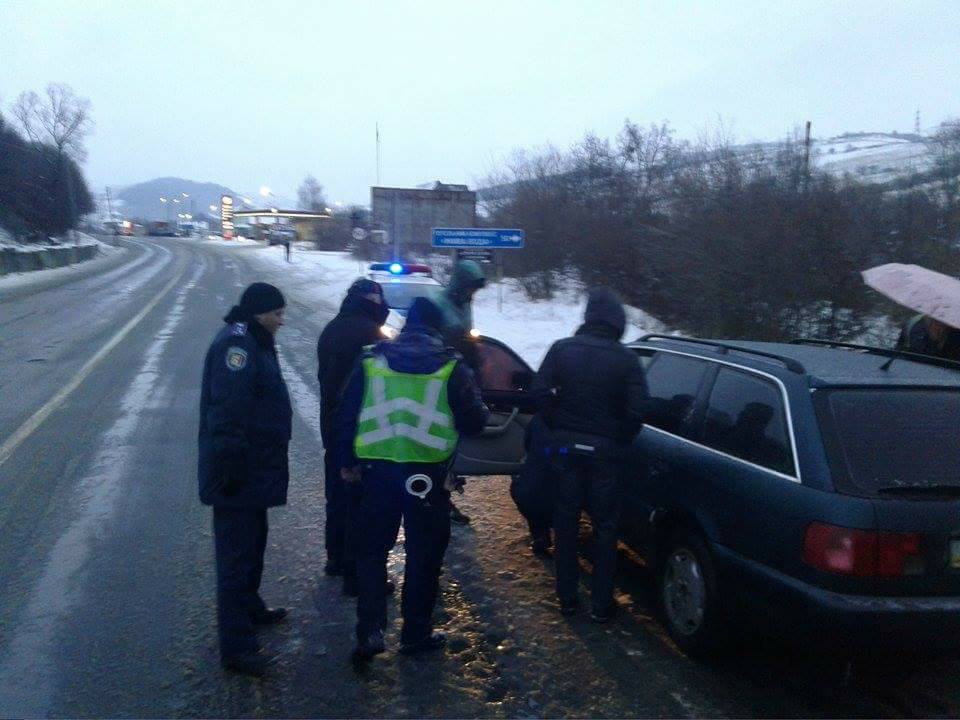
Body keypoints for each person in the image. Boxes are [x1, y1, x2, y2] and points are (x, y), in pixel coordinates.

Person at [334, 297, 489, 662]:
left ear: (407, 325)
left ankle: (370, 631)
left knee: (371, 552)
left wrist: (346, 461)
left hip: (375, 472)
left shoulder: (372, 359)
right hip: (427, 477)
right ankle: (415, 633)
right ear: (436, 328)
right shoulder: (452, 366)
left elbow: (346, 413)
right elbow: (474, 423)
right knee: (424, 555)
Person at [532, 287, 647, 623]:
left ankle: (567, 598)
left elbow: (538, 393)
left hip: (566, 451)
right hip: (605, 456)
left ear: (587, 318)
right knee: (605, 527)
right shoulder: (626, 359)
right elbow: (637, 411)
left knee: (565, 523)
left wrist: (555, 425)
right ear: (617, 322)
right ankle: (601, 603)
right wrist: (618, 440)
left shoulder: (562, 349)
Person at [197, 282, 293, 677]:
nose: (281, 320)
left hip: (254, 468)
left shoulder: (255, 339)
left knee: (253, 543)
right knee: (235, 557)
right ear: (259, 313)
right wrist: (231, 465)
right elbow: (228, 411)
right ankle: (236, 647)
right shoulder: (238, 348)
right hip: (238, 470)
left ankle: (250, 608)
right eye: (277, 314)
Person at [316, 278, 389, 595]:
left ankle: (335, 558)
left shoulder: (332, 328)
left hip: (331, 425)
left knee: (336, 493)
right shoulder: (370, 334)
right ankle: (354, 572)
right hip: (360, 429)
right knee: (359, 502)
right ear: (371, 301)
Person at [435, 259, 488, 524]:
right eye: (470, 288)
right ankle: (437, 497)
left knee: (453, 439)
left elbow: (468, 334)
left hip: (460, 375)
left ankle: (444, 490)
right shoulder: (439, 303)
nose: (472, 293)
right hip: (440, 378)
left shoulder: (465, 304)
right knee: (440, 437)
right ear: (460, 283)